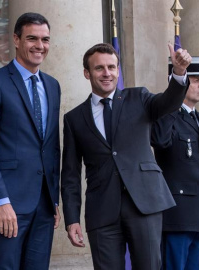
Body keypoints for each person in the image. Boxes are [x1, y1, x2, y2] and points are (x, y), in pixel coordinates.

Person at [61, 42, 191, 270]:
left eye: (112, 67)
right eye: (99, 68)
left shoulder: (138, 97)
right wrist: (72, 219)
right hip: (102, 211)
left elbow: (167, 103)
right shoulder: (74, 118)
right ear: (86, 73)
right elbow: (70, 174)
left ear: (118, 70)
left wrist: (178, 74)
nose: (106, 73)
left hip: (144, 204)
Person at [0, 12, 61, 270]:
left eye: (45, 39)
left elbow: (51, 146)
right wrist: (1, 201)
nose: (39, 46)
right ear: (16, 39)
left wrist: (53, 198)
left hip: (43, 205)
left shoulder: (53, 85)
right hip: (8, 204)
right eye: (32, 38)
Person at [151, 58, 199, 270]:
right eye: (196, 80)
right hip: (177, 216)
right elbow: (160, 140)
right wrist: (173, 98)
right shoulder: (166, 114)